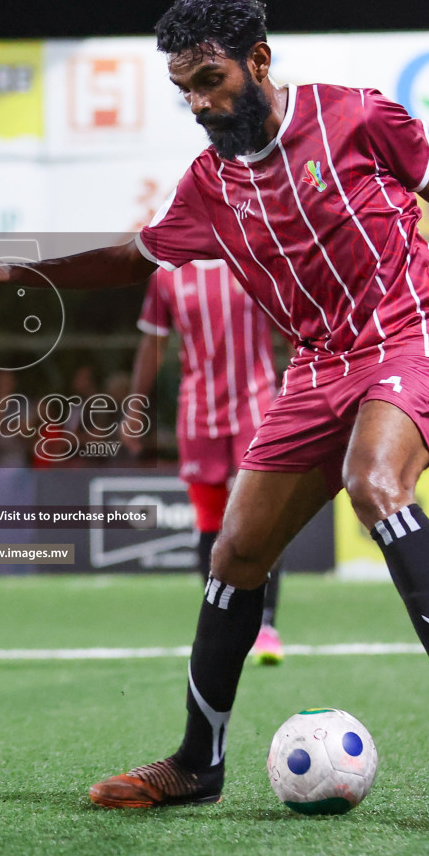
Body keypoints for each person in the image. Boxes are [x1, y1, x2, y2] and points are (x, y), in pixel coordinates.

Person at [0, 0, 429, 807]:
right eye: (187, 91)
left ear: (260, 61)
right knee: (235, 554)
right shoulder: (209, 185)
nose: (202, 103)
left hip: (416, 331)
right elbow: (134, 258)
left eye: (211, 79)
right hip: (319, 367)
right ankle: (197, 762)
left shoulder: (357, 117)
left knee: (374, 481)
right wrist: (15, 266)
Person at [132, 258, 285, 663]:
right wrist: (134, 406)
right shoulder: (167, 273)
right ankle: (220, 623)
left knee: (259, 517)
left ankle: (266, 625)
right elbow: (153, 341)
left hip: (256, 401)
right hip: (198, 411)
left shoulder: (251, 254)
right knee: (210, 520)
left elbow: (295, 317)